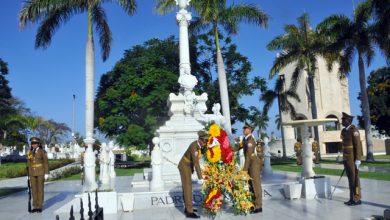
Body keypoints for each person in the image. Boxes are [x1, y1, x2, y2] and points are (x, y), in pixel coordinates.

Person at [178, 130, 208, 218]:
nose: (205, 143)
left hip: (188, 165)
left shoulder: (199, 145)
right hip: (184, 166)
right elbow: (196, 163)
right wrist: (200, 178)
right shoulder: (194, 147)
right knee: (187, 187)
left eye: (206, 141)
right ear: (199, 139)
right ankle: (189, 211)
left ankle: (188, 207)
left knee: (187, 186)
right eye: (203, 141)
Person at [340, 112, 362, 206]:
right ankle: (351, 198)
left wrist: (358, 159)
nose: (342, 121)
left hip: (353, 158)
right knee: (350, 179)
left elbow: (357, 145)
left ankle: (356, 198)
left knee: (355, 178)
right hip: (346, 158)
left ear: (349, 120)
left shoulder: (354, 130)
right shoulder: (344, 131)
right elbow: (344, 144)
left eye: (343, 120)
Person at [240, 124, 262, 213]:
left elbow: (248, 156)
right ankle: (253, 204)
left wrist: (244, 170)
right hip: (250, 164)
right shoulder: (246, 139)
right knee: (250, 184)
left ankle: (258, 206)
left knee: (255, 185)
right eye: (244, 128)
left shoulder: (250, 141)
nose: (244, 130)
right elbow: (239, 147)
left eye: (245, 129)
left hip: (254, 164)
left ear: (250, 130)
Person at [27, 137, 49, 213]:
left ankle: (39, 206)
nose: (34, 145)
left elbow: (46, 162)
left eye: (35, 143)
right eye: (32, 143)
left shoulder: (42, 152)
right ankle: (35, 206)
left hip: (40, 172)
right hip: (32, 173)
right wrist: (29, 175)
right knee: (34, 190)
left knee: (40, 189)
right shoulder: (30, 152)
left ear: (39, 144)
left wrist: (46, 173)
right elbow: (29, 164)